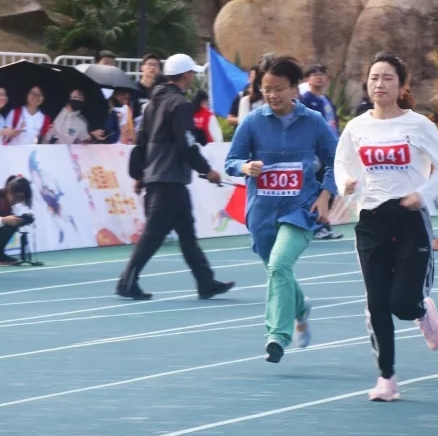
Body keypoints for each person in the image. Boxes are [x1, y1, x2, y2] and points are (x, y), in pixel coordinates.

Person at [334, 52, 438, 402]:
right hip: (371, 219)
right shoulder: (357, 127)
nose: (380, 84)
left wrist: (423, 194)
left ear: (402, 86)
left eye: (388, 78)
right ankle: (386, 377)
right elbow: (342, 164)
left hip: (409, 217)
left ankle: (421, 310)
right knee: (377, 303)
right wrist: (346, 184)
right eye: (374, 77)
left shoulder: (418, 125)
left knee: (401, 303)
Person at [225, 56, 337, 363]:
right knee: (277, 270)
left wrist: (325, 195)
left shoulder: (313, 121)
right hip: (261, 211)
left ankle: (277, 336)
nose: (272, 95)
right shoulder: (253, 121)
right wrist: (245, 166)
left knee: (278, 265)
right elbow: (231, 161)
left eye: (278, 88)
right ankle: (300, 307)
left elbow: (336, 162)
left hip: (300, 208)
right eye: (266, 89)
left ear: (294, 88)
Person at [115, 53, 235, 301]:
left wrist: (140, 175)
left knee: (186, 233)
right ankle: (127, 281)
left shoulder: (151, 105)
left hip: (160, 178)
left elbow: (142, 142)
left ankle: (205, 281)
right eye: (191, 73)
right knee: (154, 235)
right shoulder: (180, 105)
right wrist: (207, 170)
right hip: (170, 180)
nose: (193, 77)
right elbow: (186, 144)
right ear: (185, 75)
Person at [300, 63, 344, 241]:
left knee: (331, 188)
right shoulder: (305, 100)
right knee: (317, 189)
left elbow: (334, 124)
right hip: (316, 152)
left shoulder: (327, 100)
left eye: (322, 74)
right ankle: (317, 226)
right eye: (314, 73)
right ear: (307, 79)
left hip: (331, 151)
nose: (318, 77)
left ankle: (322, 223)